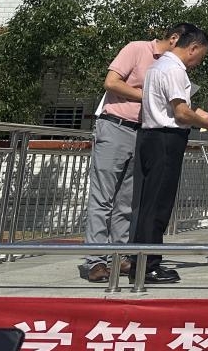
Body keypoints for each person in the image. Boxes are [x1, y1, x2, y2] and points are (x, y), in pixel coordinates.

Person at [80, 22, 193, 282]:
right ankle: (96, 260)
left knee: (127, 201)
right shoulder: (137, 49)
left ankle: (118, 256)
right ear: (174, 38)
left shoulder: (171, 66)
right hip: (116, 126)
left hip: (144, 133)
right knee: (103, 197)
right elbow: (111, 82)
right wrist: (149, 95)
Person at [129, 27, 208, 283]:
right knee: (159, 204)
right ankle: (149, 266)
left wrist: (200, 115)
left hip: (150, 136)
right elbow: (180, 112)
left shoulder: (157, 66)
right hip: (166, 139)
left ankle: (139, 261)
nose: (198, 62)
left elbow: (173, 108)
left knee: (147, 204)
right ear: (193, 48)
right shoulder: (174, 69)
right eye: (201, 56)